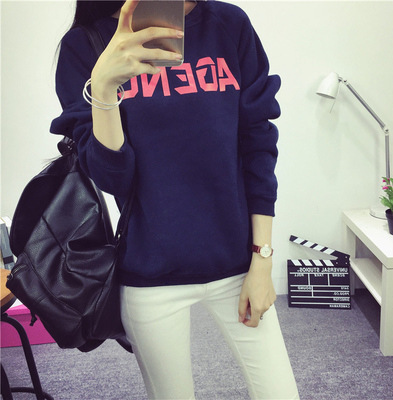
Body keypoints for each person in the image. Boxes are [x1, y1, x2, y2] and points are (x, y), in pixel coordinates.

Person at [51, 0, 300, 399]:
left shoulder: (227, 25)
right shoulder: (86, 45)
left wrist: (262, 259)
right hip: (150, 271)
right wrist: (104, 88)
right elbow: (113, 178)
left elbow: (258, 146)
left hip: (238, 264)